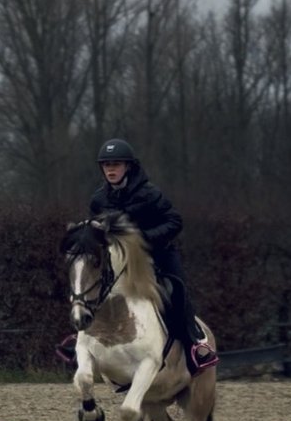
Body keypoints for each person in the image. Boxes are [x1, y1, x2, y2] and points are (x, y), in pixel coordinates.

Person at [85, 137, 217, 373]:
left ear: (128, 166)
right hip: (117, 260)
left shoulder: (149, 193)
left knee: (176, 289)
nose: (111, 169)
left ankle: (195, 344)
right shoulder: (98, 199)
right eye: (106, 165)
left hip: (156, 255)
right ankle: (83, 338)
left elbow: (174, 221)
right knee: (89, 286)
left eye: (116, 164)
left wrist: (143, 238)